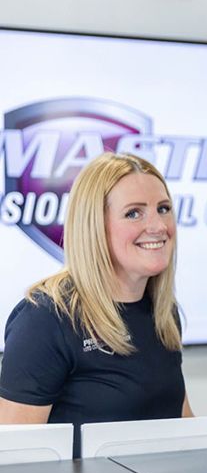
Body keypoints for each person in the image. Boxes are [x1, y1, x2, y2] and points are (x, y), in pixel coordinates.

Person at [0, 153, 192, 455]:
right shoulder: (46, 318)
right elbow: (15, 460)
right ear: (94, 226)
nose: (158, 225)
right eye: (134, 213)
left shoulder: (163, 313)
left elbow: (183, 425)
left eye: (163, 209)